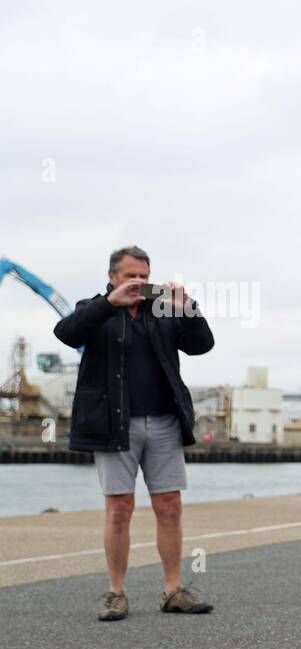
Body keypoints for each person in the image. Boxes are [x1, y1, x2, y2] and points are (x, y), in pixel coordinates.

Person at [54, 245, 216, 622]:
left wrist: (187, 307)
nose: (139, 282)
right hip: (113, 423)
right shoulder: (93, 308)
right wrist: (109, 303)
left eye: (144, 275)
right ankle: (116, 592)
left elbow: (202, 345)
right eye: (131, 275)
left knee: (170, 507)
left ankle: (173, 589)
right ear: (112, 277)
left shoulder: (162, 311)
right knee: (119, 510)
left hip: (163, 422)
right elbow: (66, 333)